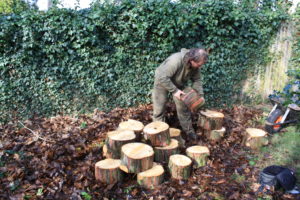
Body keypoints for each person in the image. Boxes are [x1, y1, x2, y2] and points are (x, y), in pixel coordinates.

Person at [152, 48, 208, 141]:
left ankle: (189, 132)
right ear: (191, 60)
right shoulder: (175, 61)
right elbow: (161, 76)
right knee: (159, 109)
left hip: (178, 83)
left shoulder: (195, 66)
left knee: (183, 108)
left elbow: (197, 80)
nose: (199, 67)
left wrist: (200, 95)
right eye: (198, 64)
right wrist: (175, 91)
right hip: (162, 81)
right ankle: (159, 135)